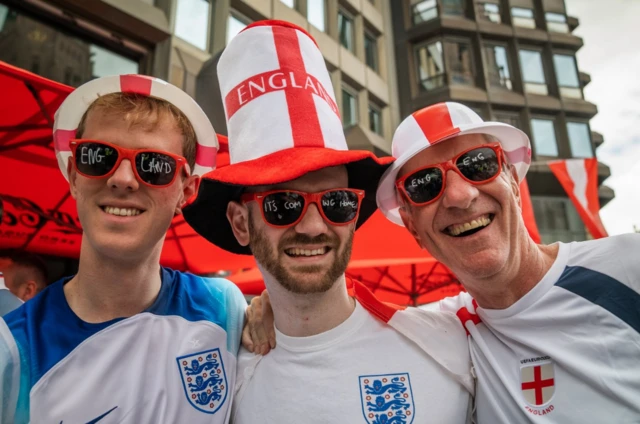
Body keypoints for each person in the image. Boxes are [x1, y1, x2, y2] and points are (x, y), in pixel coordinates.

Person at [184, 20, 474, 424]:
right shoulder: (221, 380)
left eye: (337, 202)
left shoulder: (452, 342)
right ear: (240, 223)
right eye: (283, 204)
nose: (313, 226)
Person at [0, 75, 247, 423]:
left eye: (154, 165)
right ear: (73, 174)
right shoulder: (11, 349)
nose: (123, 179)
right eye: (99, 157)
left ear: (187, 192)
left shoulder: (226, 309)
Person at [374, 102, 640, 422]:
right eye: (424, 184)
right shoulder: (444, 333)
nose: (460, 196)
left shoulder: (628, 267)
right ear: (413, 226)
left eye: (477, 164)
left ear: (512, 180)